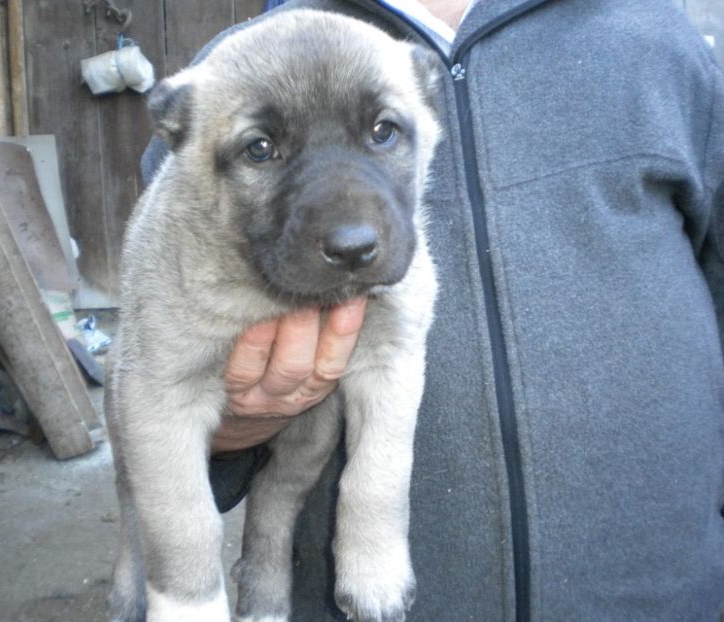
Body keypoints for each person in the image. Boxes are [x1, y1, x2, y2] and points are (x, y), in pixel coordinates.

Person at [141, 0, 724, 619]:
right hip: (357, 598)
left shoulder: (654, 40)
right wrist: (229, 434)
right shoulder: (223, 78)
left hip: (664, 585)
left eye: (383, 131)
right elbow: (157, 379)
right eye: (261, 150)